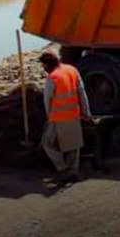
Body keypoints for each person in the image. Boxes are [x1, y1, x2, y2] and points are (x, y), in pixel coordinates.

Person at [39, 47, 91, 182]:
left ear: (47, 64)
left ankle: (63, 168)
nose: (43, 67)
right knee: (74, 145)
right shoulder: (72, 70)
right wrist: (86, 112)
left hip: (57, 117)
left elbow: (47, 100)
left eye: (43, 64)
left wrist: (49, 118)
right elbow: (81, 92)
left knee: (47, 143)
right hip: (74, 114)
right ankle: (73, 170)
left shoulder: (53, 77)